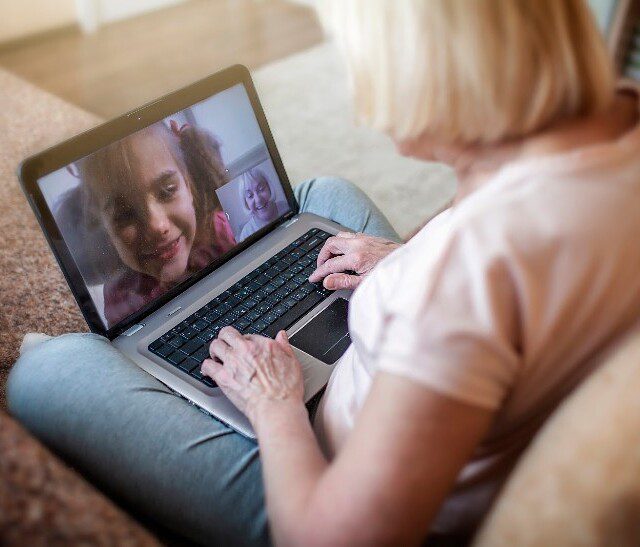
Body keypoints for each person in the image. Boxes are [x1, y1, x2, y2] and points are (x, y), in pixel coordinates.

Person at [8, 0, 640, 545]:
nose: (365, 106)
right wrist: (406, 259)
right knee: (320, 194)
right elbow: (485, 244)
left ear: (433, 70)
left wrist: (275, 400)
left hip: (324, 476)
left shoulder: (462, 282)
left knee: (47, 370)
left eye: (366, 66)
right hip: (422, 384)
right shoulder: (619, 123)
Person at [76, 120, 237, 326]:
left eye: (167, 190)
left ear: (188, 185)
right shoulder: (120, 299)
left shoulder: (225, 232)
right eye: (125, 214)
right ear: (106, 229)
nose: (157, 226)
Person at [237, 166, 290, 240]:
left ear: (269, 187)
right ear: (246, 203)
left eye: (261, 189)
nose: (258, 200)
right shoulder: (246, 234)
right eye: (250, 195)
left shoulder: (287, 207)